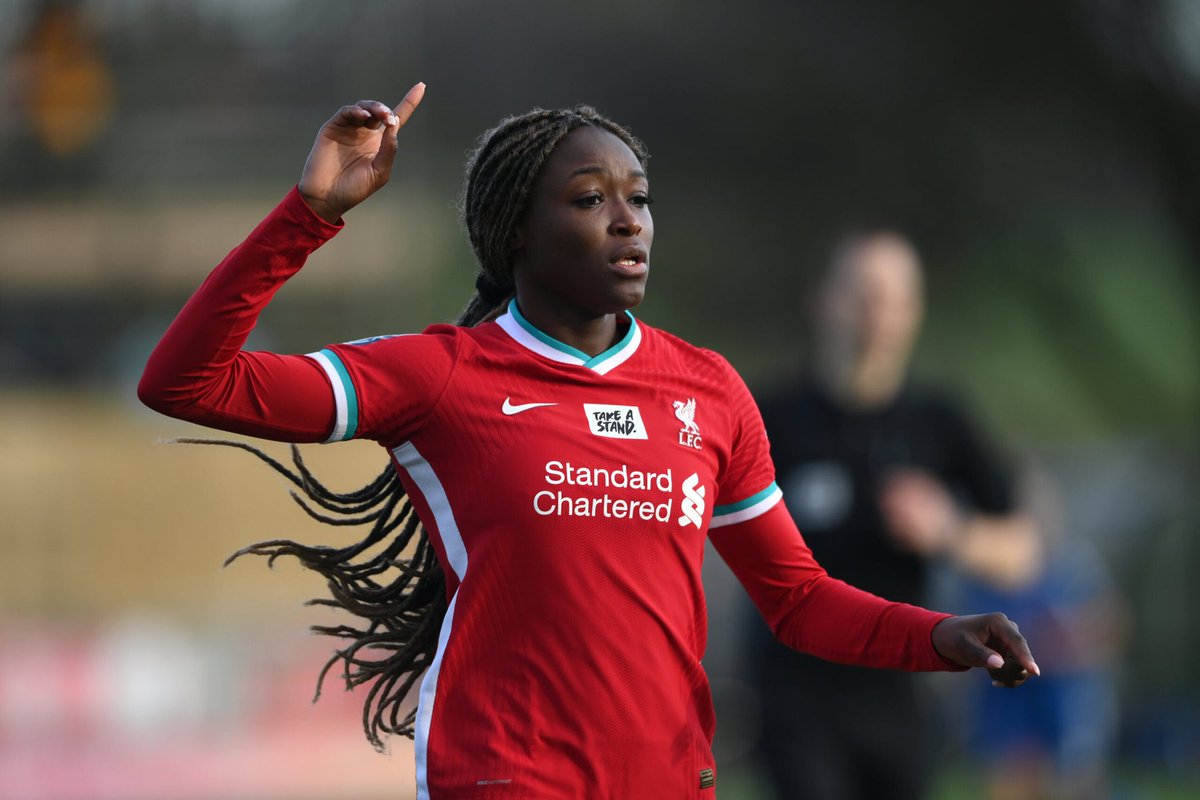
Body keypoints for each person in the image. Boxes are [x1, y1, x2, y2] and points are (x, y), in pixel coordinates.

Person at [138, 83, 1038, 800]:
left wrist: (941, 633)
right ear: (516, 231)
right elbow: (186, 382)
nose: (628, 221)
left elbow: (797, 600)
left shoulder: (709, 390)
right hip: (506, 780)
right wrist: (309, 214)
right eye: (588, 199)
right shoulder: (444, 375)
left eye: (638, 199)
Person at [746, 232, 1043, 799]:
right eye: (861, 292)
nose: (877, 312)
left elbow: (1023, 553)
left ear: (915, 309)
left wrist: (949, 530)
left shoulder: (939, 421)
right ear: (823, 299)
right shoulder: (770, 417)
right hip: (797, 694)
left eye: (894, 296)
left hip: (902, 691)